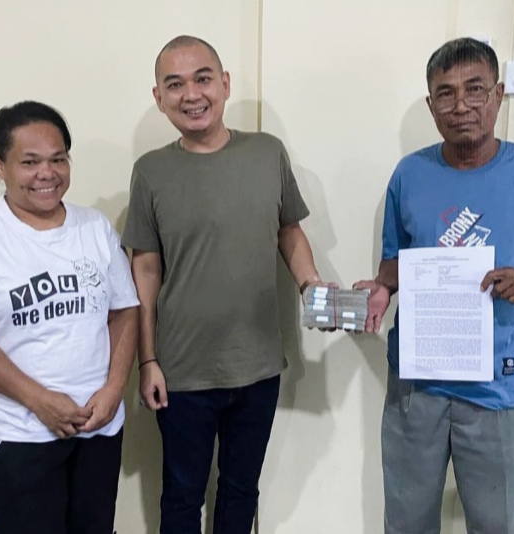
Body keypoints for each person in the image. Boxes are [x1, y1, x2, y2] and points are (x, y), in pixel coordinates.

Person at [355, 37, 514, 533]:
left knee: (499, 525)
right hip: (417, 387)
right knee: (406, 523)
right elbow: (396, 263)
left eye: (475, 89)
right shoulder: (410, 174)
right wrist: (382, 289)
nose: (461, 106)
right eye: (445, 93)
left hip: (498, 389)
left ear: (498, 95)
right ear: (431, 105)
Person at [122, 35, 325, 533]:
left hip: (257, 366)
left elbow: (289, 231)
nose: (191, 94)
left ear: (225, 84)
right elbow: (144, 270)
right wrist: (147, 360)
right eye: (175, 85)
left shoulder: (267, 153)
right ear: (159, 97)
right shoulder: (150, 172)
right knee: (182, 497)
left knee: (240, 492)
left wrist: (313, 288)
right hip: (181, 372)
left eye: (203, 78)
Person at [0, 101, 139, 534]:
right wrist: (39, 400)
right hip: (20, 435)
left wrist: (114, 390)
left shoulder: (94, 227)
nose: (47, 173)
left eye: (58, 159)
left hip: (98, 430)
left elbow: (124, 311)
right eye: (30, 162)